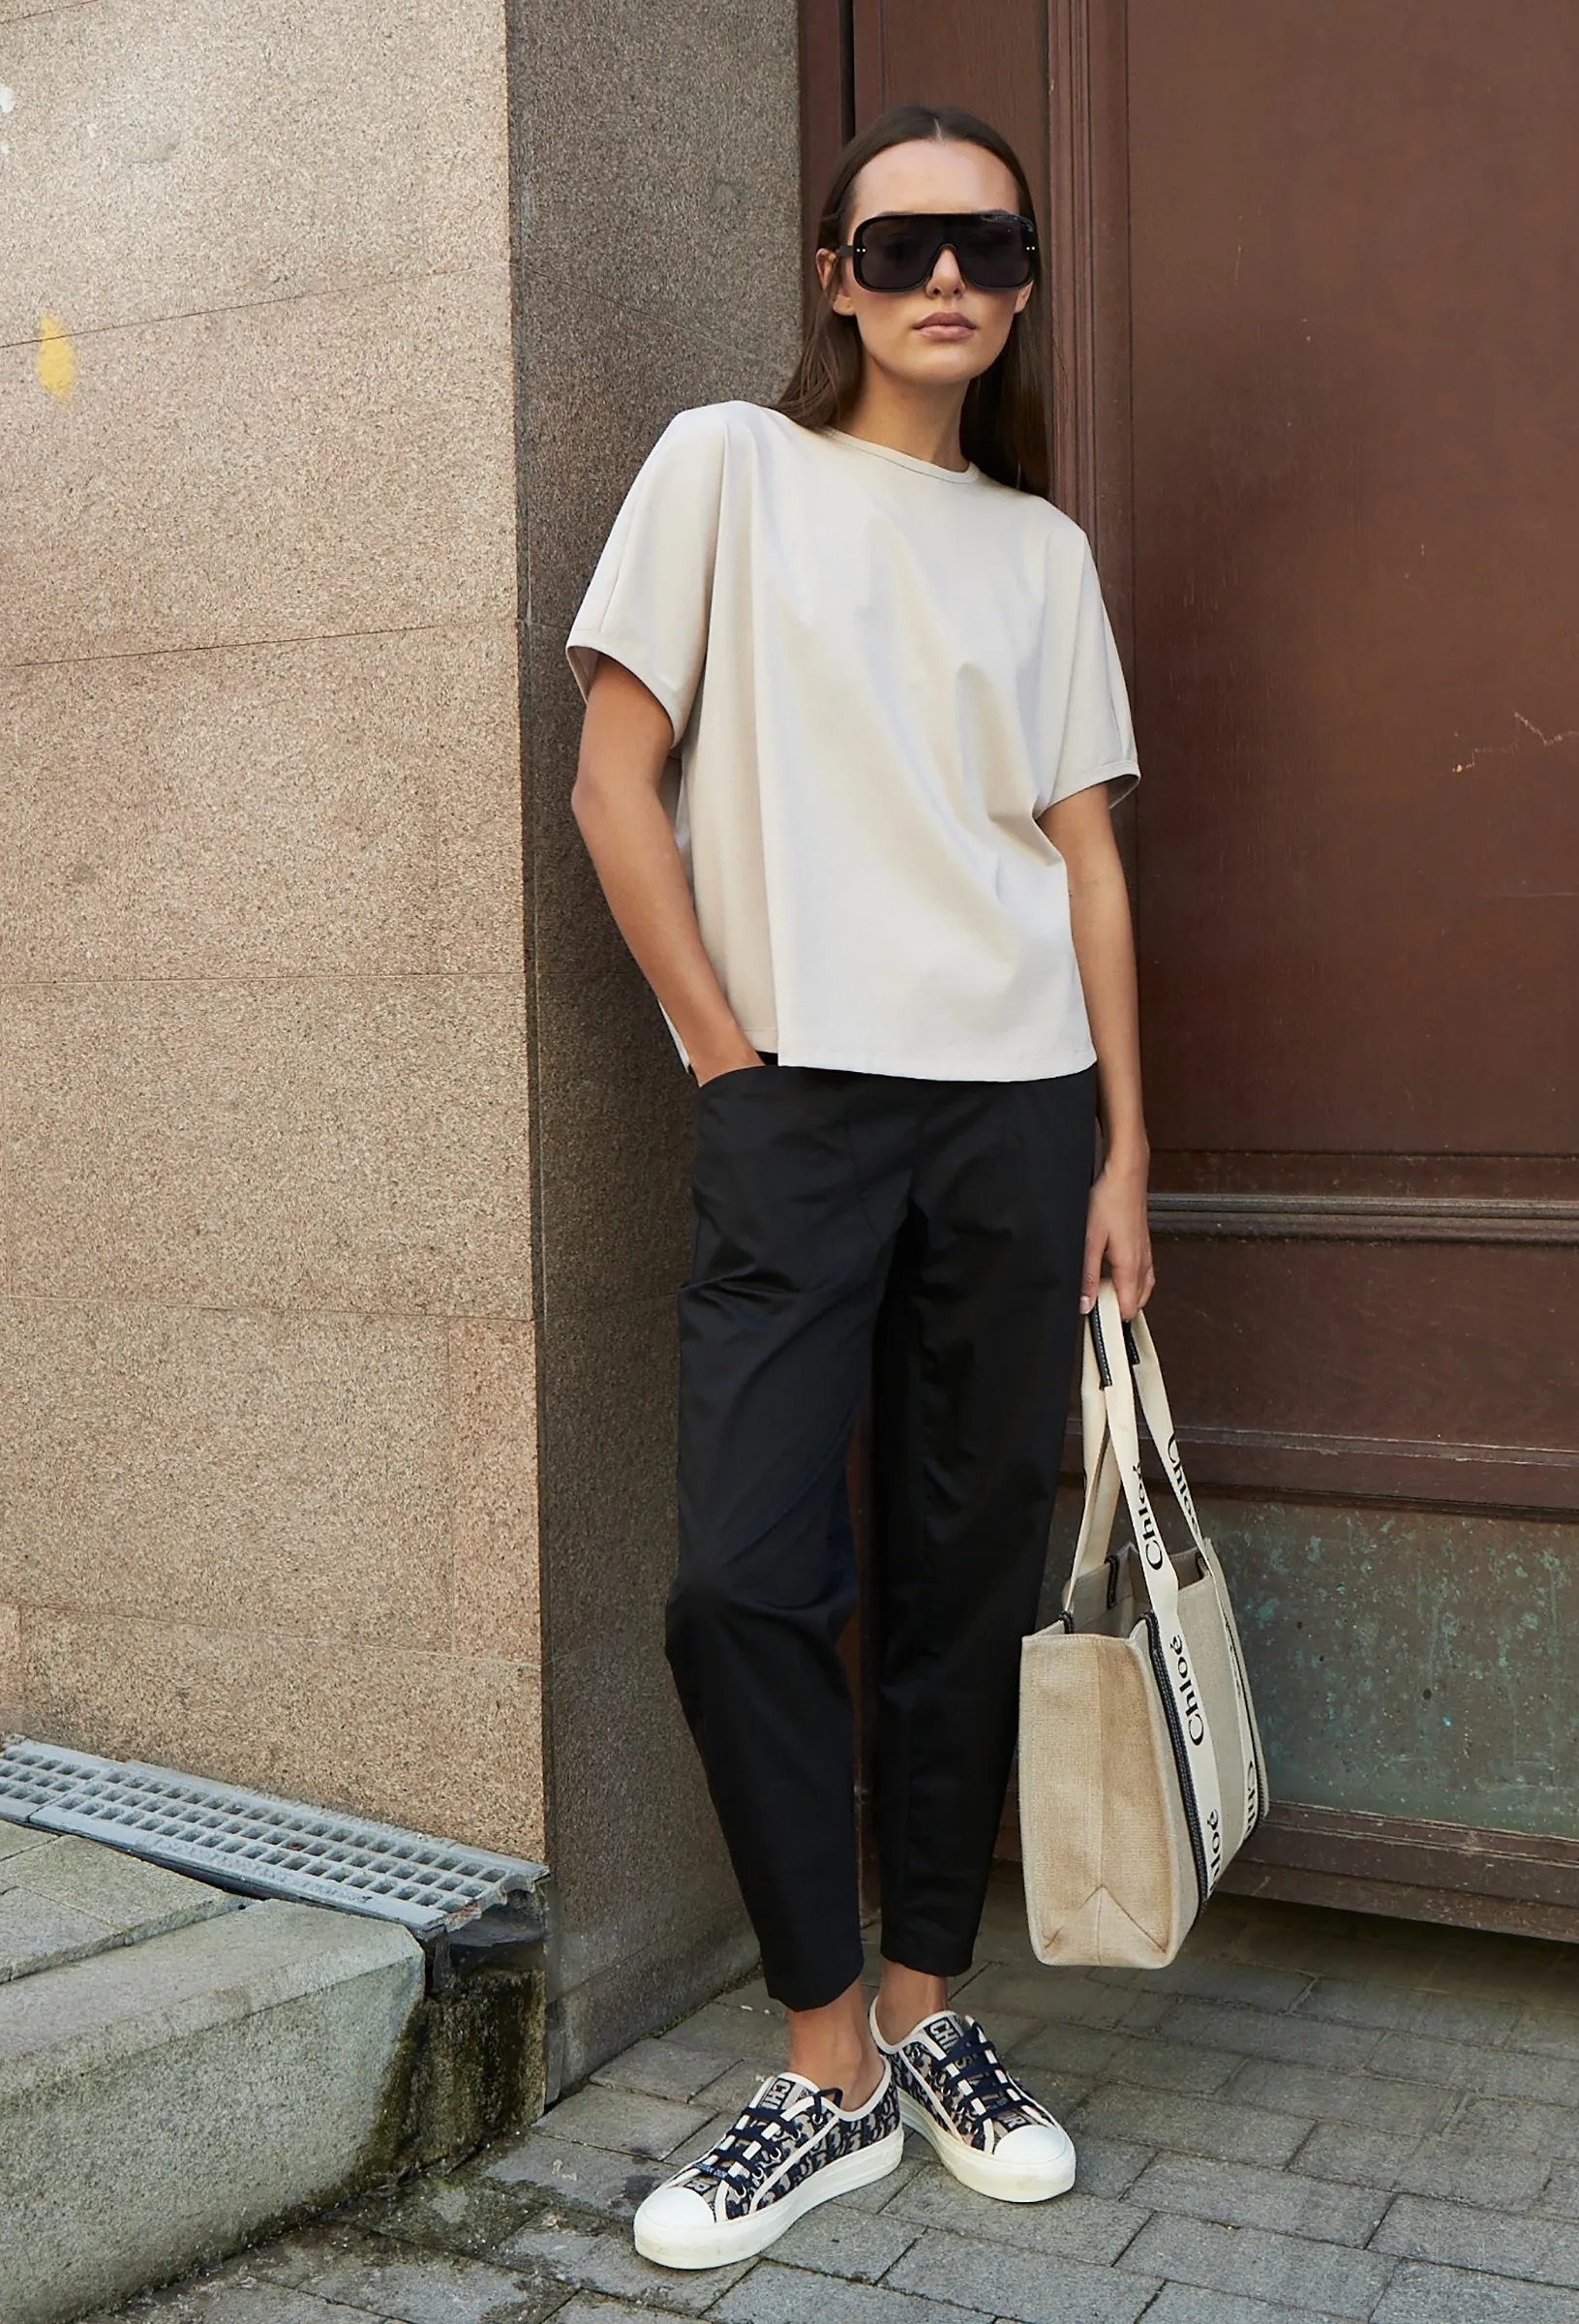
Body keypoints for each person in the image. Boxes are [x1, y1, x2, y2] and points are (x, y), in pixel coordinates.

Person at [566, 101, 1153, 2272]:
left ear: (1022, 285)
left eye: (990, 246)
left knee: (964, 1570)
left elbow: (1085, 862)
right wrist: (723, 1051)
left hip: (1018, 1106)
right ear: (835, 272)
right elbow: (613, 780)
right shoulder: (726, 466)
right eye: (902, 244)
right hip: (796, 1097)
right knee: (741, 1578)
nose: (948, 280)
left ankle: (925, 2010)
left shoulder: (1040, 552)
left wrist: (1127, 1148)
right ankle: (821, 2065)